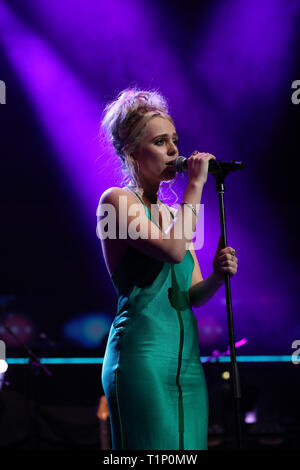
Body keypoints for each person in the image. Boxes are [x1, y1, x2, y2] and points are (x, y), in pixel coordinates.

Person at [96, 87, 238, 450]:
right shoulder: (115, 201)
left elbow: (190, 296)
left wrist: (217, 277)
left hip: (188, 364)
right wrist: (195, 183)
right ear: (131, 152)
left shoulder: (179, 217)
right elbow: (174, 252)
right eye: (161, 142)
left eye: (175, 140)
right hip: (141, 358)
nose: (175, 151)